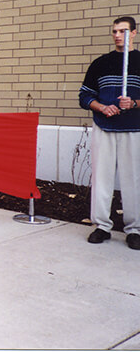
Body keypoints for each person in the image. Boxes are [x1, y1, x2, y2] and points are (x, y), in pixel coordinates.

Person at [79, 16, 140, 250]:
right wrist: (102, 107)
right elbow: (84, 96)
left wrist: (133, 103)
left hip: (133, 127)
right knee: (102, 177)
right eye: (115, 31)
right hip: (104, 126)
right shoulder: (100, 64)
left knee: (133, 179)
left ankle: (134, 230)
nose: (117, 35)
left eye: (123, 31)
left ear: (133, 33)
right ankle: (102, 226)